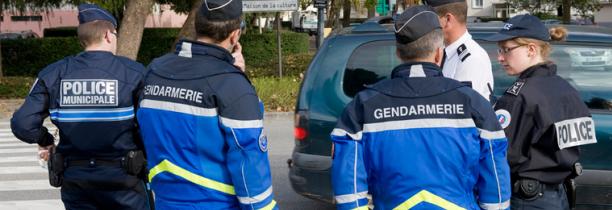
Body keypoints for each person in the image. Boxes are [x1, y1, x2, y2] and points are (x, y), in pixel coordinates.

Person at [330, 5, 511, 210]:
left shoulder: (362, 106)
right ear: (438, 54)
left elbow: (348, 191)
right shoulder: (474, 104)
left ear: (399, 53)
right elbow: (496, 188)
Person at [135, 0, 277, 209]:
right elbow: (250, 163)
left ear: (197, 26)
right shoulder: (231, 84)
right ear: (235, 35)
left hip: (166, 202)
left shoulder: (154, 71)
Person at [10, 3, 150, 210]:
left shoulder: (53, 73)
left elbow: (22, 124)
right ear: (108, 35)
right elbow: (152, 123)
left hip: (76, 180)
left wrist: (46, 140)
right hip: (124, 180)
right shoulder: (135, 72)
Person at [484, 14, 597, 210]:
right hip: (559, 195)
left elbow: (501, 155)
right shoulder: (567, 90)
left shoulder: (520, 96)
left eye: (506, 49)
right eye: (499, 50)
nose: (500, 57)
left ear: (531, 49)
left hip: (529, 199)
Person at [424, 0, 495, 101]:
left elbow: (461, 109)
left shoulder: (472, 59)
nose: (427, 25)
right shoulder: (446, 52)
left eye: (430, 19)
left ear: (447, 20)